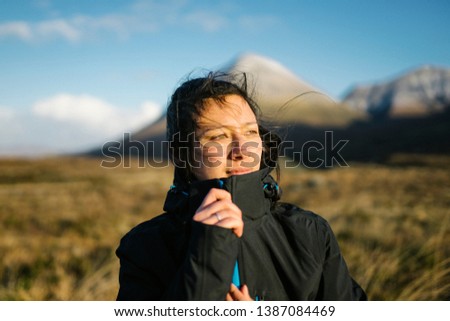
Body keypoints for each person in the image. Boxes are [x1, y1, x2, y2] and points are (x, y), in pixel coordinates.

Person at [116, 71, 367, 301]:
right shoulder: (145, 248)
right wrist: (207, 256)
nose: (241, 150)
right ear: (183, 155)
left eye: (249, 132)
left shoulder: (309, 233)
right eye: (218, 136)